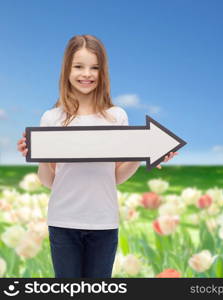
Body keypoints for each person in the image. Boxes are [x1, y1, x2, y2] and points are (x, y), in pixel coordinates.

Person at [16, 34, 178, 278]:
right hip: (63, 222)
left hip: (104, 222)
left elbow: (116, 177)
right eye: (79, 67)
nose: (87, 74)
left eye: (94, 68)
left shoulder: (116, 117)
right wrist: (38, 155)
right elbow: (49, 181)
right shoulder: (52, 119)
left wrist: (141, 154)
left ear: (103, 73)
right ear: (67, 70)